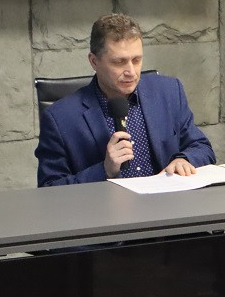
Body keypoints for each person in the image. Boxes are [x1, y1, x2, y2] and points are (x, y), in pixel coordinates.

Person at [36, 13, 215, 187]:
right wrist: (104, 170)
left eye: (136, 60)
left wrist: (183, 160)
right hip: (103, 206)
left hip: (167, 202)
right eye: (119, 62)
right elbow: (50, 189)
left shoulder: (168, 92)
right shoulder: (60, 118)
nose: (131, 72)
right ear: (94, 61)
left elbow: (202, 147)